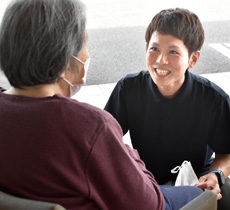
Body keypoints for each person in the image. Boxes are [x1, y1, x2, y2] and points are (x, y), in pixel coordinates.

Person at [0, 1, 206, 210]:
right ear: (64, 58)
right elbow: (149, 205)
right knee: (203, 194)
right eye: (84, 44)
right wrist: (126, 152)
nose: (87, 55)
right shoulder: (90, 128)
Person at [105, 8, 230, 209]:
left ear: (193, 59)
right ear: (146, 47)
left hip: (197, 180)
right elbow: (105, 140)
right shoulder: (128, 89)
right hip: (144, 180)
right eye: (154, 49)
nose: (161, 60)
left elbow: (226, 153)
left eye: (173, 52)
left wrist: (215, 175)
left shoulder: (214, 99)